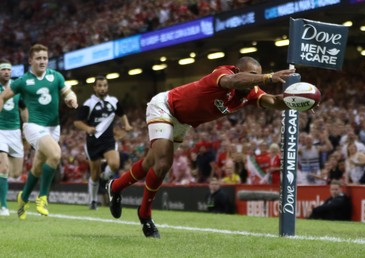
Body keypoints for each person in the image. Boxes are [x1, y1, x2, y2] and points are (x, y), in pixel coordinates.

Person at [105, 56, 294, 238]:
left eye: (257, 77)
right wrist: (268, 76)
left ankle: (116, 187)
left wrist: (299, 102)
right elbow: (234, 81)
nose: (254, 83)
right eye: (252, 75)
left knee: (150, 163)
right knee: (163, 163)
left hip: (184, 121)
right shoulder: (222, 73)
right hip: (165, 106)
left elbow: (274, 101)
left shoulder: (251, 92)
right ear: (238, 70)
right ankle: (145, 215)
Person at [0, 44, 78, 220]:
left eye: (45, 58)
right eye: (39, 58)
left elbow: (67, 92)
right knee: (56, 155)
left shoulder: (56, 76)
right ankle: (42, 197)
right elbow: (3, 96)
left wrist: (72, 99)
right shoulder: (22, 81)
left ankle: (23, 198)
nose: (43, 61)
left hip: (53, 127)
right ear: (30, 61)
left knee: (37, 167)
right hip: (33, 126)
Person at [73, 75, 132, 210]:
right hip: (93, 142)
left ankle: (105, 176)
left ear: (107, 87)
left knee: (115, 164)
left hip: (108, 140)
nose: (102, 88)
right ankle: (93, 201)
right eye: (99, 86)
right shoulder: (89, 104)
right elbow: (77, 122)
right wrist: (88, 128)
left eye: (104, 85)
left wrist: (126, 125)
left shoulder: (113, 101)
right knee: (94, 173)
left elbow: (121, 114)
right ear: (94, 87)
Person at [0, 60, 28, 216]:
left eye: (8, 70)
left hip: (15, 132)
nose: (6, 72)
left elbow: (23, 109)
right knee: (3, 167)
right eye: (3, 69)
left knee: (15, 174)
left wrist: (28, 128)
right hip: (0, 131)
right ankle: (3, 206)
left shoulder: (16, 88)